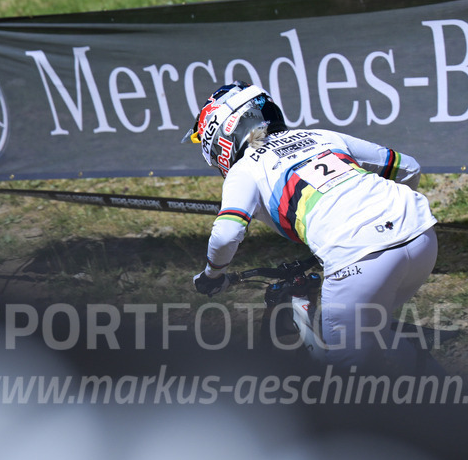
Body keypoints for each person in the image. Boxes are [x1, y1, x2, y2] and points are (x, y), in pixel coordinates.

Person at [185, 81, 439, 373]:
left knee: (347, 376)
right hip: (420, 234)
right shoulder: (320, 135)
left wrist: (212, 275)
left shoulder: (245, 169)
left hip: (358, 256)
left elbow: (227, 233)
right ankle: (426, 377)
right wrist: (389, 219)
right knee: (373, 328)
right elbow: (408, 167)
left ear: (220, 142)